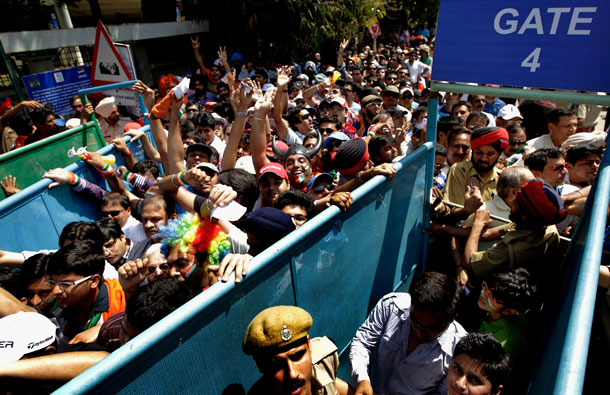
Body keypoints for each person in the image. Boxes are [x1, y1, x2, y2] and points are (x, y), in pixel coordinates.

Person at [349, 271, 466, 395]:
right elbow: (362, 343)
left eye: (430, 329)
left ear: (452, 319)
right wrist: (362, 379)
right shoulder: (391, 306)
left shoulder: (458, 350)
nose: (419, 333)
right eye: (415, 321)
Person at [463, 179, 566, 285]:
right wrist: (446, 227)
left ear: (524, 216)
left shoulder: (514, 250)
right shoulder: (537, 224)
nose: (512, 201)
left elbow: (469, 262)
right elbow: (489, 233)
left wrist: (478, 224)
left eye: (517, 201)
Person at [242, 305, 349, 395]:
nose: (292, 374)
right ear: (260, 366)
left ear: (309, 345)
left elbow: (331, 382)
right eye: (277, 364)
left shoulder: (325, 359)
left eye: (298, 356)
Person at [46, 240, 126, 342]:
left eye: (66, 284)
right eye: (52, 282)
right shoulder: (54, 306)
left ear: (93, 281)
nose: (55, 291)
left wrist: (106, 327)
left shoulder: (123, 301)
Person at [444, 126, 508, 206]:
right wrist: (468, 210)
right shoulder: (459, 170)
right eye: (479, 153)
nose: (484, 159)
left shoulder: (501, 178)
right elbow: (453, 210)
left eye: (490, 154)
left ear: (498, 155)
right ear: (472, 151)